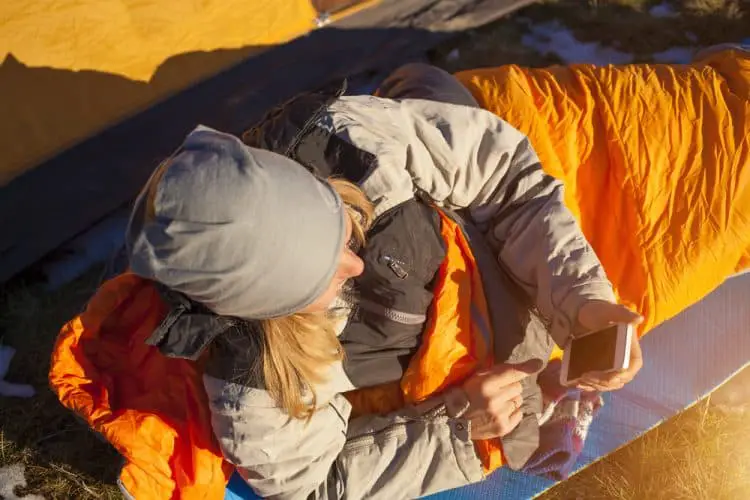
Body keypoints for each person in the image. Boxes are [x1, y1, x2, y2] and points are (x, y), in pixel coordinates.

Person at [123, 64, 643, 499]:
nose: (355, 266)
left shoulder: (351, 143)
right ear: (271, 309)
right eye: (320, 278)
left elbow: (509, 181)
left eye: (342, 234)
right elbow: (314, 483)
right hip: (440, 329)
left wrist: (583, 303)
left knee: (433, 86)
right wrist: (459, 425)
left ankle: (412, 84)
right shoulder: (253, 380)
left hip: (461, 211)